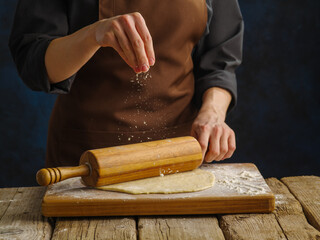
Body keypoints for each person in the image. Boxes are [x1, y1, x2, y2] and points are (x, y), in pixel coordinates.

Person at [9, 0, 243, 167]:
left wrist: (212, 113)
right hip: (88, 156)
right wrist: (93, 35)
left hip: (181, 151)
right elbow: (35, 62)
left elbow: (220, 58)